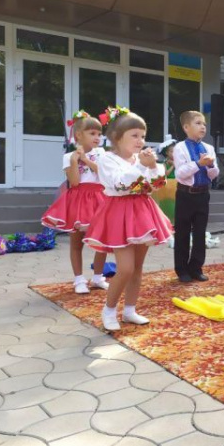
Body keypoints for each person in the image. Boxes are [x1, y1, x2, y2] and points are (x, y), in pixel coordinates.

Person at [83, 107, 172, 331]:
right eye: (134, 135)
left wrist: (153, 167)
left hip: (142, 212)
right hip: (119, 213)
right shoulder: (107, 159)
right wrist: (142, 165)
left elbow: (157, 186)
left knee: (138, 267)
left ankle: (130, 310)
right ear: (116, 137)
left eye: (142, 136)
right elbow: (121, 185)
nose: (140, 140)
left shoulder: (138, 159)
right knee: (126, 268)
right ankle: (109, 309)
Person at [41, 111, 109, 294]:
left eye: (99, 133)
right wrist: (74, 160)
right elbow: (75, 182)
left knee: (102, 239)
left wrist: (86, 159)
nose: (97, 137)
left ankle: (97, 277)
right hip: (79, 199)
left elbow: (103, 174)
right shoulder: (68, 156)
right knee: (76, 242)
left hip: (100, 197)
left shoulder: (102, 153)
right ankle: (79, 279)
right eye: (92, 133)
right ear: (79, 135)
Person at [172, 111, 219, 283]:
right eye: (198, 123)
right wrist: (198, 164)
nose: (203, 127)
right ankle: (182, 269)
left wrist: (211, 165)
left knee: (200, 233)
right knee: (183, 233)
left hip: (203, 194)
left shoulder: (209, 148)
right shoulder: (180, 148)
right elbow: (181, 173)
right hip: (186, 194)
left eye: (204, 124)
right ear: (186, 127)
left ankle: (196, 267)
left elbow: (214, 175)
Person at [153, 135, 178, 225]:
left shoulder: (179, 162)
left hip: (178, 184)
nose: (174, 153)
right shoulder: (165, 163)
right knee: (168, 205)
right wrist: (173, 166)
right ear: (167, 153)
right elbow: (166, 174)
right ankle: (168, 223)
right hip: (168, 186)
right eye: (171, 151)